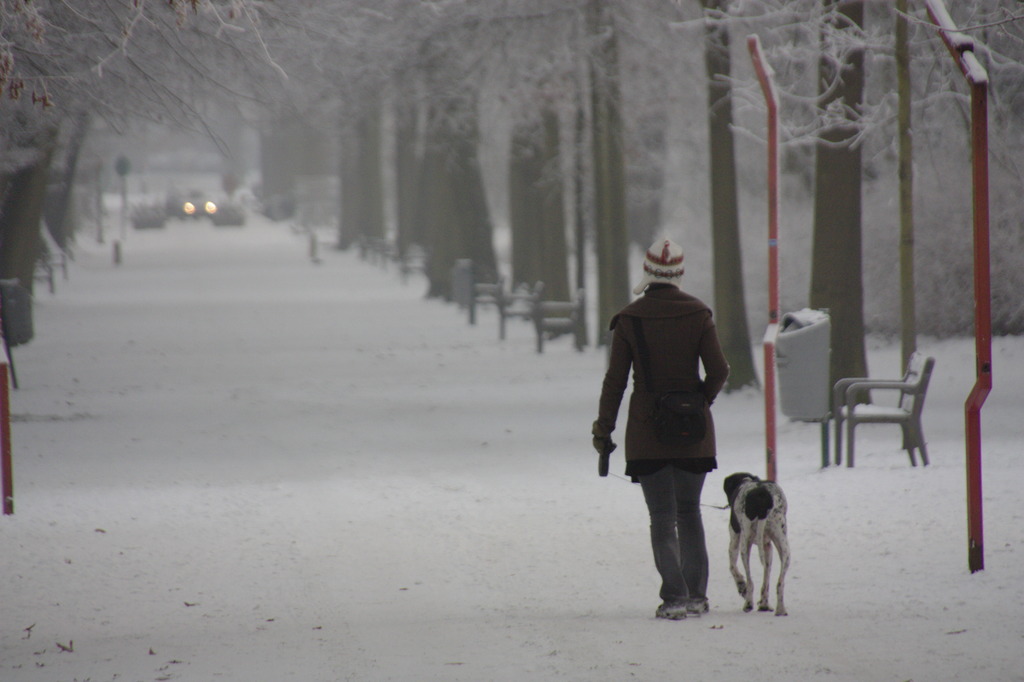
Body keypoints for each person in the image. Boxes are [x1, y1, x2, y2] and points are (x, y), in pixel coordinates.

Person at [592, 238, 730, 620]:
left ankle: (673, 598)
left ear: (647, 274)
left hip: (646, 432)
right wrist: (698, 402)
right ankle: (697, 595)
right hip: (694, 431)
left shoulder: (631, 319)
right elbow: (719, 370)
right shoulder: (699, 314)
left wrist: (603, 431)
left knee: (662, 516)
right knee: (689, 513)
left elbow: (615, 382)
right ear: (679, 275)